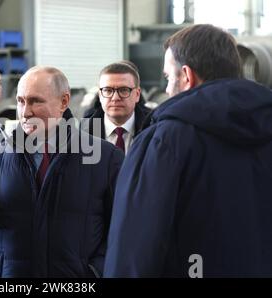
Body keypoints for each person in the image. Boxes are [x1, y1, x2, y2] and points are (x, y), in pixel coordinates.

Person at [104, 24, 272, 277]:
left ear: (186, 76)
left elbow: (134, 252)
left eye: (168, 78)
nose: (167, 89)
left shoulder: (163, 141)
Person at [0, 66, 124, 278]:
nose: (26, 112)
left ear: (64, 102)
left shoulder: (106, 158)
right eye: (20, 101)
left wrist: (94, 271)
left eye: (35, 101)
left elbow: (122, 226)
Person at [84, 61, 151, 154]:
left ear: (137, 94)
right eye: (108, 90)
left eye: (124, 90)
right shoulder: (83, 133)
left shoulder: (155, 130)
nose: (115, 98)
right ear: (100, 95)